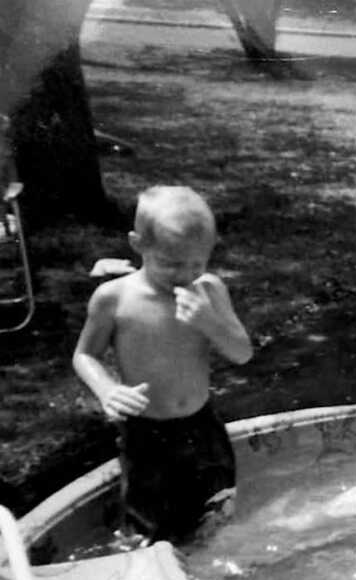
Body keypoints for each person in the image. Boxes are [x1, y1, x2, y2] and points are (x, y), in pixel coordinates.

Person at [73, 185, 253, 543]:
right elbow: (84, 355)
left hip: (204, 428)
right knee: (146, 526)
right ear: (138, 244)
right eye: (170, 263)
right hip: (146, 433)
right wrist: (107, 389)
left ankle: (206, 578)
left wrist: (209, 322)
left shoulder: (210, 291)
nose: (184, 274)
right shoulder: (114, 298)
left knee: (215, 514)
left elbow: (242, 352)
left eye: (196, 264)